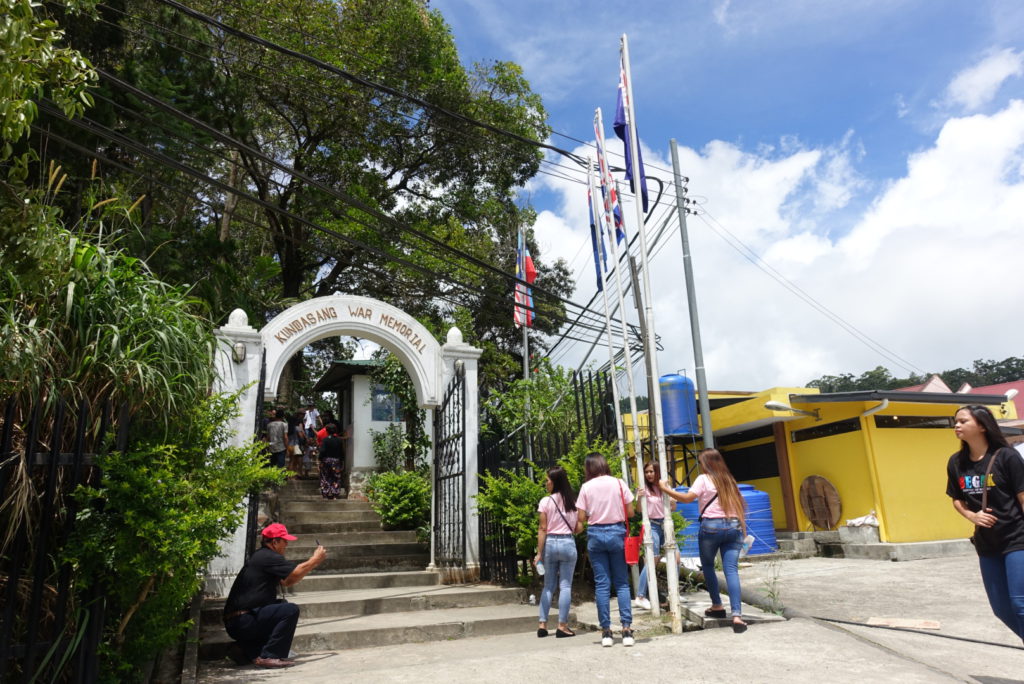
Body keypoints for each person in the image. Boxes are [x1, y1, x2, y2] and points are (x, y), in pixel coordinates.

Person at [946, 404, 1024, 642]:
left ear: (981, 425)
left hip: (1017, 539)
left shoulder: (1007, 456)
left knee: (1020, 605)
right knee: (1001, 609)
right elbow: (957, 500)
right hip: (987, 545)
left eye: (963, 421)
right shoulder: (956, 462)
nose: (956, 425)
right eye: (955, 421)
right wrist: (973, 516)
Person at [660, 448, 748, 633]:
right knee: (731, 570)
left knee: (708, 566)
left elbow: (687, 498)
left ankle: (717, 605)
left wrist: (665, 489)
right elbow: (740, 506)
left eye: (701, 462)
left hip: (711, 527)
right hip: (734, 526)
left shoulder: (703, 479)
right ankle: (737, 616)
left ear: (707, 464)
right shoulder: (729, 480)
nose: (700, 466)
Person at [222, 523, 327, 668]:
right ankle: (269, 655)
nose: (287, 544)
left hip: (239, 620)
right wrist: (314, 560)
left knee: (281, 606)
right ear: (274, 542)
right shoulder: (267, 556)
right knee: (290, 610)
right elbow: (295, 573)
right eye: (284, 541)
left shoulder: (263, 556)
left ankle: (244, 649)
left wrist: (312, 564)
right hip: (243, 620)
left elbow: (288, 581)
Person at [575, 452, 634, 647]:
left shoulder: (586, 487)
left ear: (589, 468)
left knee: (602, 585)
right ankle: (626, 630)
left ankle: (606, 632)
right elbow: (631, 512)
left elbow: (581, 518)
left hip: (596, 535)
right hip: (617, 532)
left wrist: (594, 512)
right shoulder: (618, 483)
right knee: (622, 584)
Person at [534, 466, 578, 639]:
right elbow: (576, 527)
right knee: (565, 585)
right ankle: (562, 626)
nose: (546, 483)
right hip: (568, 542)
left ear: (555, 482)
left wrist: (539, 553)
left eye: (548, 480)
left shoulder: (546, 501)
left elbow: (542, 528)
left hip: (551, 543)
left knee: (548, 586)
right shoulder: (573, 501)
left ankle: (542, 624)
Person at [633, 461, 665, 611]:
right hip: (651, 524)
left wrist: (670, 495)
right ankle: (640, 596)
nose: (649, 474)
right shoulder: (644, 488)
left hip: (665, 524)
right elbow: (638, 510)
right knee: (652, 559)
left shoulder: (662, 487)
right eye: (647, 472)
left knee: (676, 557)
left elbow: (673, 506)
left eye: (652, 471)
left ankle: (673, 593)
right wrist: (639, 497)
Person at [318, 423, 344, 500]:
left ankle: (326, 493)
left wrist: (320, 459)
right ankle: (335, 494)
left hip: (326, 460)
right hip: (336, 461)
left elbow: (322, 451)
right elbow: (342, 452)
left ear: (327, 431)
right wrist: (342, 461)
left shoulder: (325, 440)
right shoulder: (339, 440)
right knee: (336, 477)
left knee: (325, 477)